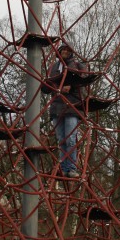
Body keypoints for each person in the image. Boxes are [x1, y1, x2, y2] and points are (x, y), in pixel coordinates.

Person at [47, 42, 86, 178]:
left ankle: (72, 167)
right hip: (57, 106)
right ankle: (64, 167)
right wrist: (58, 88)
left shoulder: (76, 65)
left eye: (67, 50)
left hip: (71, 106)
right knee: (61, 139)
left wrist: (71, 86)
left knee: (70, 138)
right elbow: (48, 83)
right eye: (62, 49)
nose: (65, 52)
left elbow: (84, 78)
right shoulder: (54, 67)